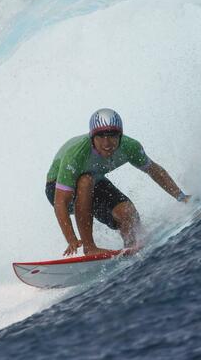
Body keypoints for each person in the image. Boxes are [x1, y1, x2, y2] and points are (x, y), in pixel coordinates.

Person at [45, 108, 190, 257]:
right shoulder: (76, 154)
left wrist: (181, 197)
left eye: (112, 136)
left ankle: (132, 248)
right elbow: (60, 202)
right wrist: (71, 238)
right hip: (58, 189)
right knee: (85, 180)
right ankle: (90, 248)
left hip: (94, 181)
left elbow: (154, 170)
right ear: (92, 137)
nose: (107, 143)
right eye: (100, 136)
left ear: (120, 135)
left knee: (127, 213)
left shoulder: (130, 147)